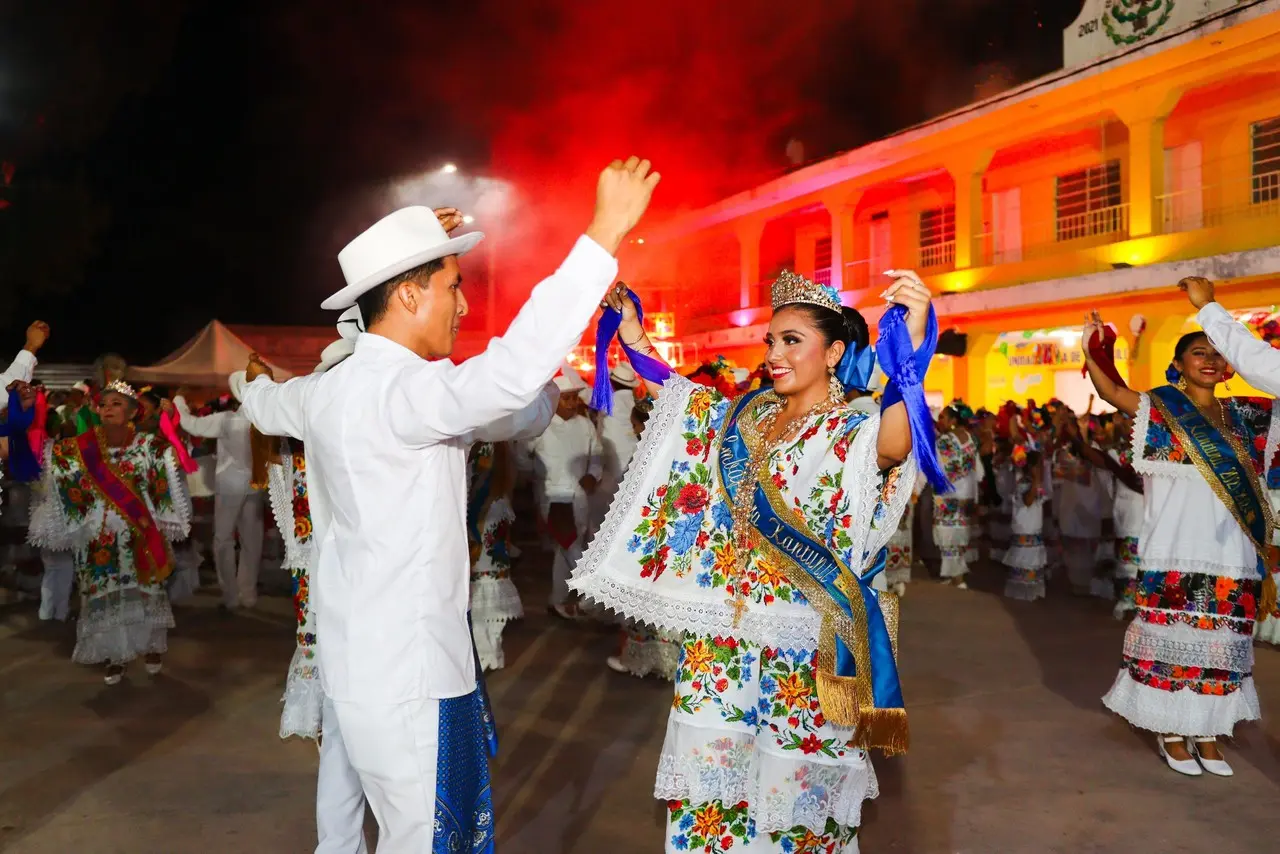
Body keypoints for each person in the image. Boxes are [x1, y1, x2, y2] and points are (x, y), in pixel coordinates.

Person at [233, 157, 659, 853]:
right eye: (452, 287)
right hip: (410, 680)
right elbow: (510, 374)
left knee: (340, 838)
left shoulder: (322, 394)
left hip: (351, 666)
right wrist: (604, 233)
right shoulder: (409, 395)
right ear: (405, 297)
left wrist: (244, 378)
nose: (463, 307)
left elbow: (265, 396)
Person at [571, 268, 938, 853]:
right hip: (723, 643)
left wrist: (913, 347)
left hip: (802, 646)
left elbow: (897, 443)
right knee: (715, 802)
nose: (774, 354)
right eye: (771, 341)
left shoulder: (853, 429)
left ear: (834, 351)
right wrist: (637, 339)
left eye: (792, 340)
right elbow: (683, 403)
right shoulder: (748, 416)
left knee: (793, 802)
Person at [1085, 310, 1277, 778]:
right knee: (1173, 647)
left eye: (1217, 353)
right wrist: (1094, 345)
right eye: (1199, 352)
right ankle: (1170, 729)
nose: (1209, 361)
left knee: (1220, 648)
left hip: (1230, 554)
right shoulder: (1160, 409)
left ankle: (1208, 733)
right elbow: (1110, 390)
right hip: (1173, 547)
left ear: (1232, 363)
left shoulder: (1251, 417)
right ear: (1178, 362)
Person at [27, 381, 192, 685]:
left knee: (145, 594)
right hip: (97, 536)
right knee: (104, 594)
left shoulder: (149, 447)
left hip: (138, 533)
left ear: (132, 411)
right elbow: (50, 462)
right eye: (103, 404)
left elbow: (163, 482)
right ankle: (115, 656)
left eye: (117, 403)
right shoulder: (79, 448)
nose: (108, 409)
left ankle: (151, 646)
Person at [174, 383, 264, 612]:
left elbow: (191, 425)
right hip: (255, 483)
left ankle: (231, 595)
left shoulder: (227, 419)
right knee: (251, 540)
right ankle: (248, 593)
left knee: (223, 538)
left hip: (230, 484)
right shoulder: (263, 418)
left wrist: (179, 402)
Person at [532, 365, 602, 620]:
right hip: (553, 496)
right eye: (567, 398)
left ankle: (556, 600)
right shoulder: (540, 425)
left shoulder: (585, 425)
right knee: (571, 545)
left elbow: (597, 455)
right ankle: (594, 594)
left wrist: (593, 475)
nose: (572, 403)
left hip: (580, 496)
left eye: (575, 397)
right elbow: (521, 457)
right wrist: (537, 475)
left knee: (567, 547)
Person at [933, 401, 981, 588]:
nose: (940, 420)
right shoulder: (971, 438)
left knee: (948, 536)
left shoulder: (945, 441)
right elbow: (978, 470)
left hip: (949, 495)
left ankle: (958, 578)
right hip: (967, 492)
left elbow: (938, 468)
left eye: (943, 416)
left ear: (953, 420)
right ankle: (953, 575)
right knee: (958, 536)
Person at [1003, 448, 1048, 601]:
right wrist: (1035, 480)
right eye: (1039, 466)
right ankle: (1023, 593)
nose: (1042, 469)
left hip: (1033, 528)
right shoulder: (1024, 483)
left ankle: (1032, 592)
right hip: (1025, 528)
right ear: (1032, 467)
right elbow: (1027, 501)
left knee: (1033, 562)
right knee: (1025, 561)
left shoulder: (1036, 483)